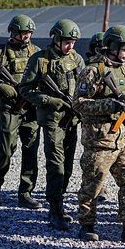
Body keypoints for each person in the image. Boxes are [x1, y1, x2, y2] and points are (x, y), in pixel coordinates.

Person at [72, 24, 125, 243]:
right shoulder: (93, 70)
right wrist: (108, 105)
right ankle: (87, 225)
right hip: (99, 140)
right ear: (112, 46)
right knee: (92, 185)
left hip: (123, 139)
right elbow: (78, 103)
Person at [19, 19, 85, 230]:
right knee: (55, 165)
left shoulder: (77, 59)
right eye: (67, 41)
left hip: (72, 120)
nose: (70, 46)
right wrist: (49, 100)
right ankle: (54, 209)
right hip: (52, 121)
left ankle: (61, 203)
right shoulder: (40, 59)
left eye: (73, 42)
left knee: (67, 166)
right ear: (56, 39)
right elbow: (26, 89)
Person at [0, 15, 42, 208]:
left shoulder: (37, 52)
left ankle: (25, 192)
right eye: (23, 32)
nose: (27, 36)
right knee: (6, 150)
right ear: (13, 32)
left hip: (30, 110)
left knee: (31, 151)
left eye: (29, 32)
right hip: (10, 109)